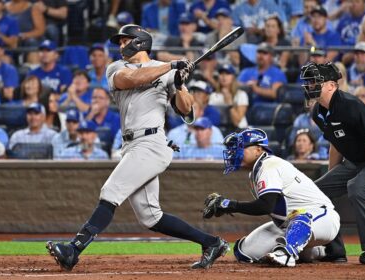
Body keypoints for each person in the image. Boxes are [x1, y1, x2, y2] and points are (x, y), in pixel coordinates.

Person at [46, 24, 229, 271]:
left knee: (110, 191)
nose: (121, 45)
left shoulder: (166, 74)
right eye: (120, 42)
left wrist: (180, 82)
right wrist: (170, 67)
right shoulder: (117, 68)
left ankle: (73, 249)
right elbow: (131, 79)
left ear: (140, 41)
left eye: (125, 40)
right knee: (150, 217)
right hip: (131, 144)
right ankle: (212, 243)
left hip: (152, 143)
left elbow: (187, 111)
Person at [202, 127, 340, 267]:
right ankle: (320, 251)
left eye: (241, 147)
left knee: (300, 217)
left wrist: (229, 205)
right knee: (244, 252)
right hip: (288, 225)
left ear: (258, 150)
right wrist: (228, 206)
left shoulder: (270, 165)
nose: (235, 152)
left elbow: (265, 206)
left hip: (322, 218)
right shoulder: (256, 171)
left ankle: (288, 254)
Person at [300, 61, 365, 264]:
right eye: (309, 82)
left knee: (356, 187)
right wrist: (332, 175)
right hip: (355, 161)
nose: (310, 86)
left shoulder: (350, 105)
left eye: (315, 82)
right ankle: (335, 251)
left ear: (331, 85)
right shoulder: (318, 111)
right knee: (315, 193)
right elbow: (335, 143)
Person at [210, 64, 249, 129]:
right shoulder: (213, 96)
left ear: (233, 77)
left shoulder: (241, 95)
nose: (224, 76)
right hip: (220, 128)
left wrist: (230, 103)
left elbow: (237, 122)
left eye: (227, 73)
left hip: (239, 130)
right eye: (221, 73)